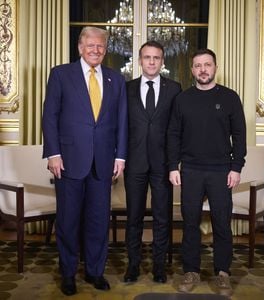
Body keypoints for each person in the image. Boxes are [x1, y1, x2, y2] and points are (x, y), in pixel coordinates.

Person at [42, 26, 128, 296]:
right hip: (68, 161)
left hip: (103, 162)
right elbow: (50, 117)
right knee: (67, 221)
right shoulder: (60, 74)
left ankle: (94, 271)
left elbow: (122, 122)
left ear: (106, 49)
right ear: (80, 47)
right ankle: (68, 273)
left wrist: (121, 155)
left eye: (100, 46)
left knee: (98, 221)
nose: (95, 50)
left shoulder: (116, 80)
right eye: (90, 45)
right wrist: (53, 153)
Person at [167, 48, 246, 296]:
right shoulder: (182, 99)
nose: (203, 69)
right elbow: (173, 135)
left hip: (221, 171)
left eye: (207, 65)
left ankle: (222, 273)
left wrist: (236, 167)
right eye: (198, 65)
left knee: (222, 223)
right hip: (189, 170)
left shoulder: (231, 97)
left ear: (215, 67)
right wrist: (172, 166)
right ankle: (191, 271)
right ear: (192, 70)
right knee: (189, 223)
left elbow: (240, 135)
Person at [124, 41, 181, 284]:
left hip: (163, 165)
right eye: (147, 57)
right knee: (134, 217)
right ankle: (133, 265)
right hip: (134, 163)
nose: (151, 62)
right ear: (139, 61)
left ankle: (159, 267)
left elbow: (177, 129)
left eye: (156, 58)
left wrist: (174, 164)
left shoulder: (175, 89)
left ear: (162, 61)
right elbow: (120, 127)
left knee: (161, 217)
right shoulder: (126, 89)